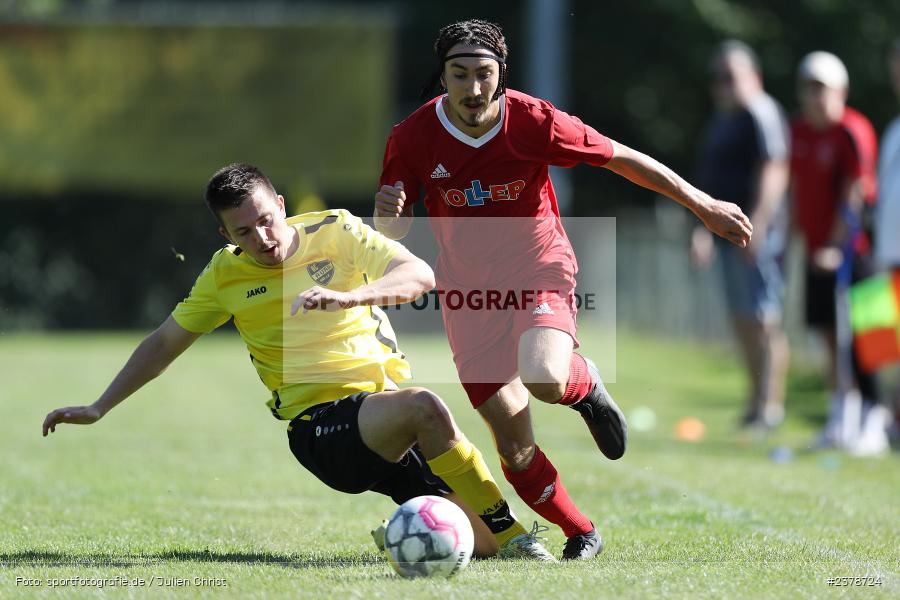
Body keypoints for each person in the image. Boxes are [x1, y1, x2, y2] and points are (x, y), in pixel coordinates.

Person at [373, 19, 752, 560]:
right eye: (461, 74)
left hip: (538, 266)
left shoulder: (533, 120)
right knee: (514, 444)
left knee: (545, 376)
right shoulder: (411, 137)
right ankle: (581, 531)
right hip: (469, 296)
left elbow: (621, 158)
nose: (474, 88)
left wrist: (703, 204)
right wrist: (390, 217)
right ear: (443, 77)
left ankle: (583, 382)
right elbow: (394, 228)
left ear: (501, 76)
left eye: (485, 74)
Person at [42, 163, 555, 561]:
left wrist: (350, 298)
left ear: (281, 204)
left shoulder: (338, 232)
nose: (262, 238)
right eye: (243, 231)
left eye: (266, 220)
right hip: (321, 429)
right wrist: (99, 406)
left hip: (384, 415)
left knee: (475, 544)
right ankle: (518, 536)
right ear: (225, 236)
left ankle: (412, 531)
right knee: (426, 407)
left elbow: (420, 275)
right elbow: (162, 345)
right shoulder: (224, 276)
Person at [690, 41, 791, 430]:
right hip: (729, 236)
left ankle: (770, 406)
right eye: (718, 78)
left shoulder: (760, 112)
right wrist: (701, 231)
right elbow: (708, 186)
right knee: (741, 318)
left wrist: (760, 223)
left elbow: (775, 168)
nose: (723, 85)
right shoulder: (721, 121)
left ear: (754, 76)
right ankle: (755, 402)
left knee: (764, 318)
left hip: (758, 235)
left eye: (730, 76)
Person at [789, 51, 880, 448]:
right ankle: (841, 416)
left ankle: (874, 421)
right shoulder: (800, 134)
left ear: (840, 91)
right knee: (828, 334)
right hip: (816, 253)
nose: (814, 96)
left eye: (821, 88)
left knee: (870, 338)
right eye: (808, 87)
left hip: (858, 251)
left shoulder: (852, 129)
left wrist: (837, 245)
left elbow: (856, 191)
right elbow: (796, 192)